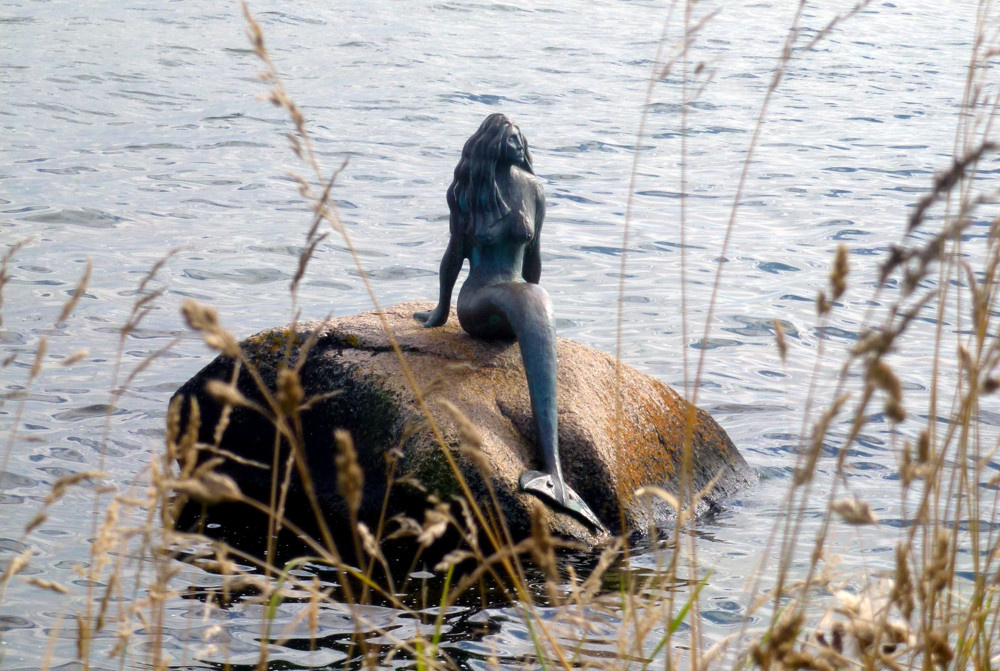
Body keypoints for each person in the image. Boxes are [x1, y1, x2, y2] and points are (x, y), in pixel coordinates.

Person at [415, 113, 601, 529]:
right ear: (492, 142)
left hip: (516, 300)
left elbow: (533, 266)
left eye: (521, 139)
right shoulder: (470, 190)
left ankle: (553, 474)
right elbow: (454, 256)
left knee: (535, 295)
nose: (518, 145)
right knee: (532, 297)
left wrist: (534, 321)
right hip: (479, 302)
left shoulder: (533, 189)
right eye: (510, 139)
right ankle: (552, 474)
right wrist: (440, 311)